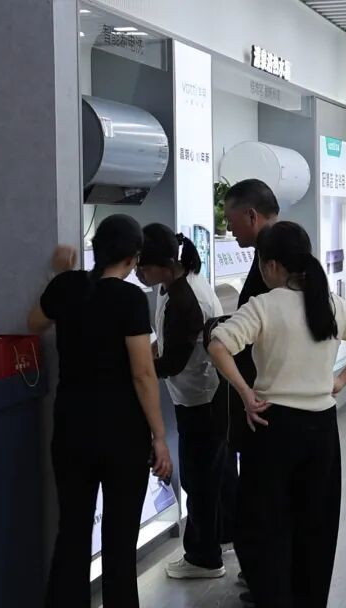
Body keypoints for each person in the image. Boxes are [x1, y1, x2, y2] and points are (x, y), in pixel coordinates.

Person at [208, 221, 346, 608]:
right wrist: (339, 380)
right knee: (316, 527)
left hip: (272, 426)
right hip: (322, 430)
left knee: (264, 527)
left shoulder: (264, 305)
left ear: (271, 265)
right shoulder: (332, 304)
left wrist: (246, 393)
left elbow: (218, 344)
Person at [28, 214, 173, 608]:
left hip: (71, 428)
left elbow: (34, 322)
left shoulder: (68, 286)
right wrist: (159, 436)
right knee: (119, 541)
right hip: (122, 434)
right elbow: (142, 373)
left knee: (72, 532)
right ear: (132, 257)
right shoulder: (130, 299)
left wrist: (60, 276)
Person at [134, 224, 228, 580]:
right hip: (196, 395)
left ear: (163, 264)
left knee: (198, 478)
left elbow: (173, 362)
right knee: (211, 475)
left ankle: (204, 557)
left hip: (201, 398)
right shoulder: (172, 284)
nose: (139, 272)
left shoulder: (187, 300)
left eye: (143, 266)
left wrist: (139, 369)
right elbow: (167, 340)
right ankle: (221, 538)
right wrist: (149, 351)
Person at [217, 178, 279, 549]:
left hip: (265, 394)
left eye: (231, 219)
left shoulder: (274, 262)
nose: (229, 229)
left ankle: (265, 566)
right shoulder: (268, 255)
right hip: (262, 391)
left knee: (265, 485)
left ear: (251, 215)